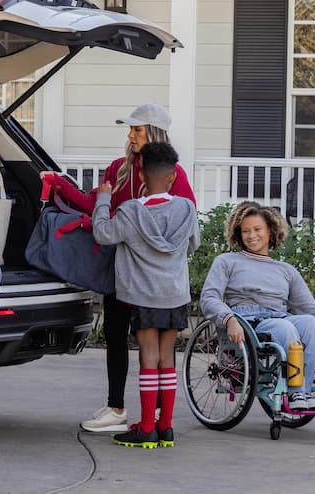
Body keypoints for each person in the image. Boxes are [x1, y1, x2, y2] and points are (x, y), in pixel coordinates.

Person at [42, 103, 196, 433]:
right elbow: (94, 201)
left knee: (149, 351)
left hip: (150, 279)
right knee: (116, 336)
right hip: (121, 272)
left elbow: (177, 221)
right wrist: (60, 185)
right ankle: (118, 409)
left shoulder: (174, 175)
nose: (130, 135)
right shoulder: (119, 168)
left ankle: (152, 419)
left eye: (137, 129)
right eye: (130, 129)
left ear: (154, 132)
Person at [91, 142, 199, 449]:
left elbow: (102, 233)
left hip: (144, 296)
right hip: (175, 295)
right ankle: (166, 428)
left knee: (148, 358)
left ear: (141, 176)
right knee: (167, 358)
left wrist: (103, 200)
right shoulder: (187, 209)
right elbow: (193, 245)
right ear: (171, 178)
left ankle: (147, 428)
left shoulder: (129, 213)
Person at [201, 201, 315, 411]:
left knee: (310, 323)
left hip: (279, 317)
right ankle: (296, 395)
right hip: (247, 321)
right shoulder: (227, 261)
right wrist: (228, 318)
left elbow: (310, 308)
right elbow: (209, 297)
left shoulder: (286, 270)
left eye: (257, 229)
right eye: (245, 231)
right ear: (238, 234)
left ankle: (301, 392)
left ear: (270, 231)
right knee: (285, 328)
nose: (251, 236)